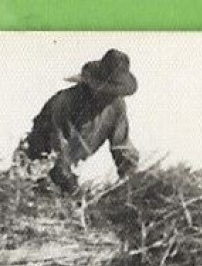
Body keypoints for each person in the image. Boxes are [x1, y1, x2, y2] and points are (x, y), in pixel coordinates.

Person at [18, 48, 141, 195]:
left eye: (115, 93)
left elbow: (122, 147)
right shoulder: (65, 103)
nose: (111, 97)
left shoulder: (116, 107)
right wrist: (74, 191)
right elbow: (57, 154)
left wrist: (130, 183)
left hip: (65, 170)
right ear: (94, 86)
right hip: (36, 166)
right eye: (106, 92)